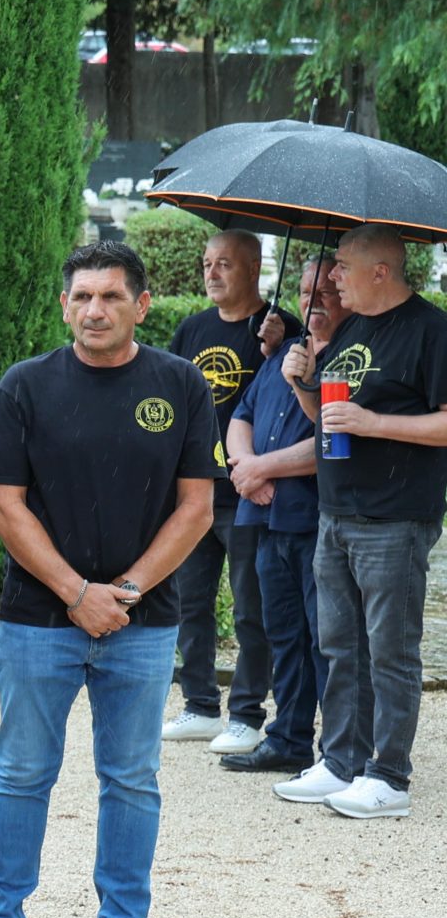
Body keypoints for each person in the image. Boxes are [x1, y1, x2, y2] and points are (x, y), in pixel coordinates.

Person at [0, 241, 218, 918]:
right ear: (64, 306)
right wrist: (77, 592)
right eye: (81, 296)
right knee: (22, 772)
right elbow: (4, 506)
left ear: (141, 305)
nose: (95, 310)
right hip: (38, 619)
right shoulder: (25, 385)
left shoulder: (180, 384)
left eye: (111, 296)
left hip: (143, 623)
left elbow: (197, 508)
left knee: (133, 778)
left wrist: (125, 592)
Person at [273, 224, 447, 819]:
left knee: (390, 650)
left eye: (343, 266)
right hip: (336, 511)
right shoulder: (354, 328)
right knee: (340, 646)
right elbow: (329, 418)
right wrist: (301, 384)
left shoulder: (432, 330)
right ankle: (342, 761)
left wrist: (374, 424)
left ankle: (390, 776)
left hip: (395, 516)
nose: (333, 278)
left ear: (381, 270)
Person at [161, 230, 296, 749]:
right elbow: (170, 402)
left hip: (249, 495)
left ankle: (247, 713)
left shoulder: (282, 328)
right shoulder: (191, 329)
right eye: (206, 263)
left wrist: (276, 347)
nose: (212, 273)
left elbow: (290, 403)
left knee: (250, 609)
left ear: (255, 268)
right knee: (187, 602)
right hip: (195, 492)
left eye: (225, 263)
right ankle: (199, 705)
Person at [223, 254, 341, 776]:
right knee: (284, 635)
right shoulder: (283, 354)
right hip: (268, 520)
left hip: (317, 520)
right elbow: (241, 415)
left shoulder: (348, 357)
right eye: (305, 292)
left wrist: (261, 469)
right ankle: (289, 738)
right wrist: (245, 467)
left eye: (326, 292)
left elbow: (332, 442)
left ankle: (338, 752)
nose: (314, 302)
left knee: (325, 639)